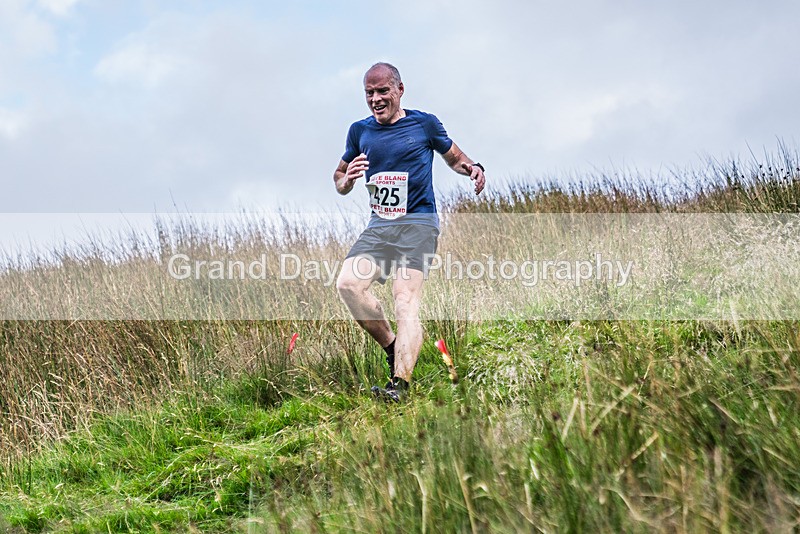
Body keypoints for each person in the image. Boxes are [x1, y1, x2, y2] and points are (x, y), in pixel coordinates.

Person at [333, 62, 485, 402]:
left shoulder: (424, 124)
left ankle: (399, 386)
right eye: (369, 93)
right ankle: (392, 347)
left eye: (382, 91)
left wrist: (473, 169)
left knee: (405, 299)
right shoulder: (359, 131)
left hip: (418, 224)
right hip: (380, 227)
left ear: (400, 90)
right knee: (348, 285)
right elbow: (339, 179)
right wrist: (349, 178)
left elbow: (455, 157)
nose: (376, 99)